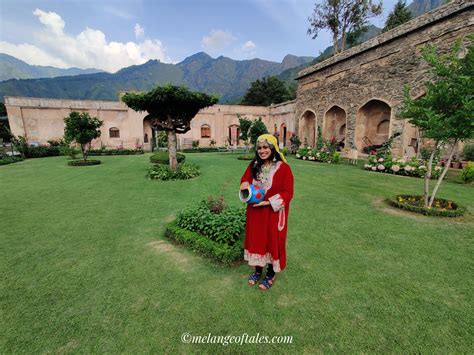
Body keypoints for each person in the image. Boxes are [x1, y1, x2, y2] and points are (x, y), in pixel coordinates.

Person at [240, 134, 294, 290]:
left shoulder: (283, 168)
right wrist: (244, 184)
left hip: (272, 213)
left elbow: (288, 192)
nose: (262, 151)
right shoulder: (254, 165)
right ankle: (257, 271)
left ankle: (270, 274)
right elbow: (245, 179)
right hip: (255, 213)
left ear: (272, 148)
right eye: (259, 148)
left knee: (271, 241)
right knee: (256, 240)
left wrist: (269, 202)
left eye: (265, 147)